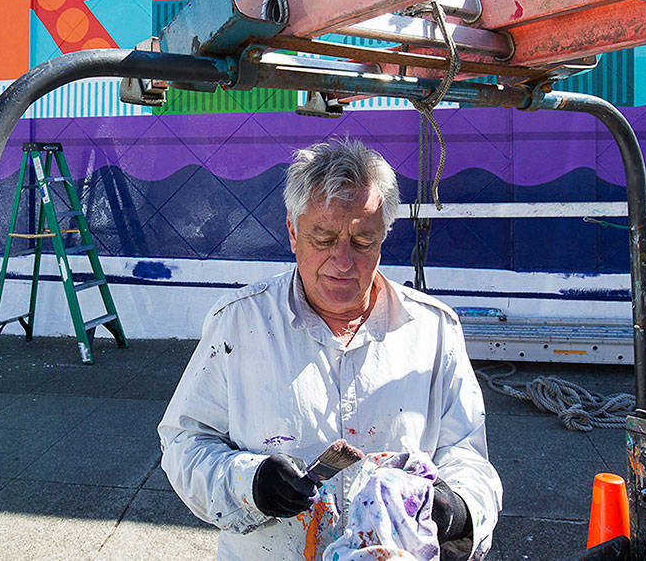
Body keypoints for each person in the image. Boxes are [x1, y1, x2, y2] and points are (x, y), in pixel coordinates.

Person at [159, 137, 501, 559]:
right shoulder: (238, 323)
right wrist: (251, 483)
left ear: (383, 237)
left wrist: (457, 511)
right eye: (323, 238)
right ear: (292, 231)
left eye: (362, 242)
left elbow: (466, 453)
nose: (342, 262)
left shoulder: (434, 330)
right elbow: (184, 442)